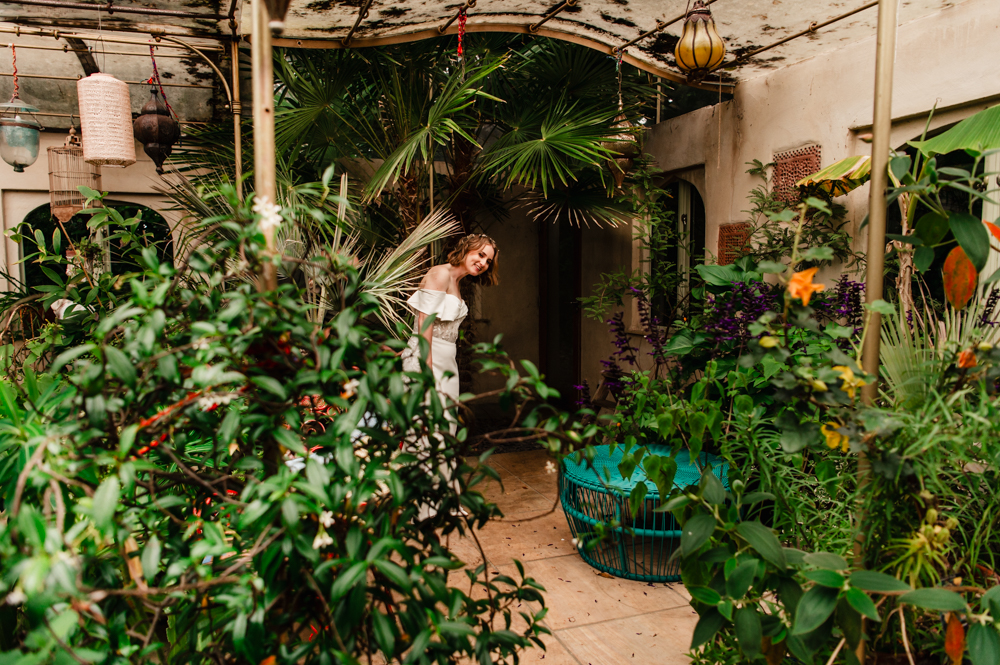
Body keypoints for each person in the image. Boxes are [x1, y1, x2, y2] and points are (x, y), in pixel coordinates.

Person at [402, 233, 499, 406]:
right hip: (427, 357)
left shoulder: (457, 281)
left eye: (488, 261)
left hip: (447, 363)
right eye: (481, 255)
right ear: (467, 249)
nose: (483, 263)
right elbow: (425, 319)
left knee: (445, 424)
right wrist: (427, 366)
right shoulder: (440, 273)